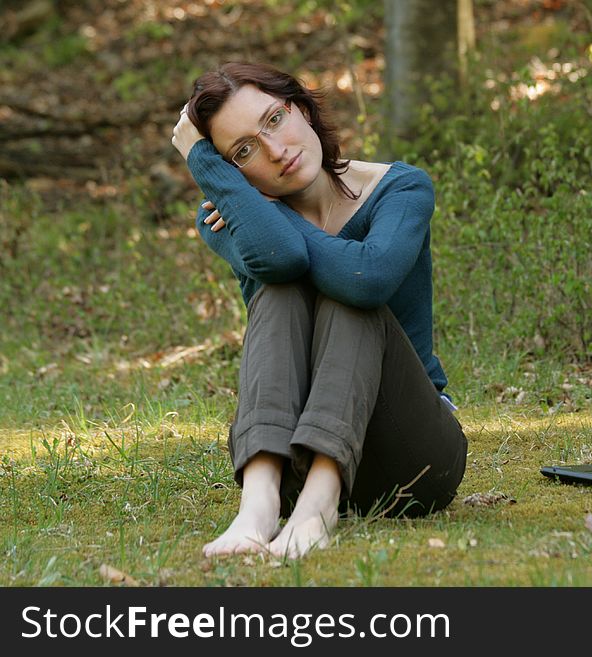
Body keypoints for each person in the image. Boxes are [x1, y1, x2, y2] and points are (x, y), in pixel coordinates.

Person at [171, 62, 468, 560]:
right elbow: (279, 259)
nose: (275, 150)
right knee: (281, 287)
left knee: (350, 288)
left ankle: (319, 510)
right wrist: (215, 175)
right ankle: (258, 507)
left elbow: (366, 278)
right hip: (290, 459)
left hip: (412, 455)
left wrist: (257, 207)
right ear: (230, 173)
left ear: (302, 109)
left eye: (273, 120)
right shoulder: (227, 219)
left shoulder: (400, 188)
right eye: (242, 152)